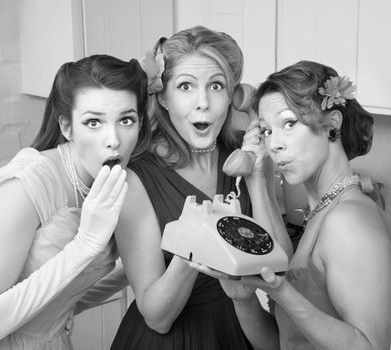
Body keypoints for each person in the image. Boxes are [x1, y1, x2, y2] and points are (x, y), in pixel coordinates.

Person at [190, 60, 391, 350]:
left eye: (288, 123)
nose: (274, 143)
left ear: (332, 125)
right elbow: (283, 343)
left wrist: (281, 291)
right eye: (267, 131)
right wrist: (243, 299)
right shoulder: (322, 212)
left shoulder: (348, 220)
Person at [111, 26, 292, 350]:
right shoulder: (136, 179)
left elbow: (279, 262)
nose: (204, 103)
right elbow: (156, 317)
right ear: (163, 97)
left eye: (217, 86)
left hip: (240, 327)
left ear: (233, 95)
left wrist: (256, 178)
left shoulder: (248, 157)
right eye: (185, 86)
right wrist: (193, 246)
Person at [0, 54, 151, 349]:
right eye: (93, 122)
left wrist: (143, 264)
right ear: (66, 127)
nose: (113, 139)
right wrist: (84, 245)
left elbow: (63, 299)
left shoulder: (113, 184)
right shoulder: (24, 188)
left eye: (126, 120)